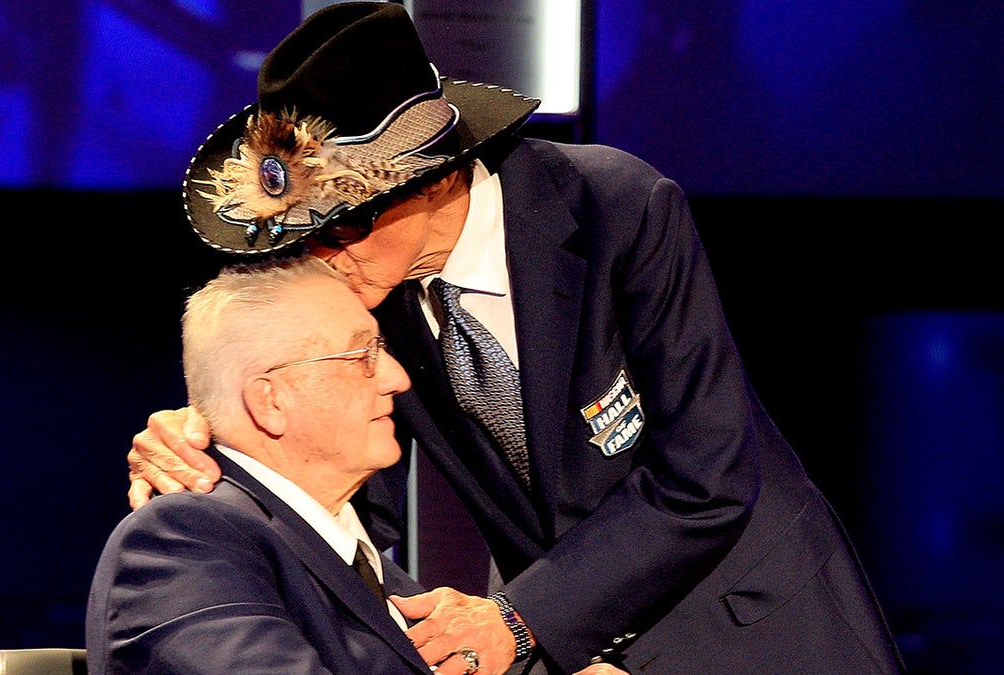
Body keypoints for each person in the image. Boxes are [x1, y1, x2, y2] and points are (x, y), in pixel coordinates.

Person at [125, 3, 904, 673]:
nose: (324, 251)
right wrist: (212, 444)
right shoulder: (371, 292)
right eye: (304, 230)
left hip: (751, 625)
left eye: (346, 220)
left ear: (431, 179)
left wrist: (519, 620)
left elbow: (707, 475)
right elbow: (350, 496)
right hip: (574, 644)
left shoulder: (616, 209)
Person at [88, 256, 622, 675]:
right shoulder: (183, 542)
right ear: (270, 400)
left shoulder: (372, 571)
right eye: (360, 355)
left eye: (383, 349)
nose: (395, 377)